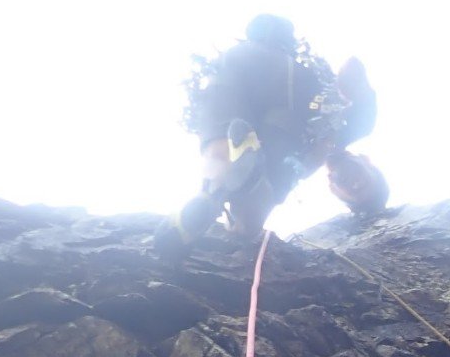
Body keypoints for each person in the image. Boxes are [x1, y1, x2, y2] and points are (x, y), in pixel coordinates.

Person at [156, 14, 388, 247]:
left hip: (234, 67)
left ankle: (209, 193)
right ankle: (249, 200)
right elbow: (353, 68)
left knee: (219, 153)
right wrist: (345, 99)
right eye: (363, 184)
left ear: (333, 189)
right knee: (254, 215)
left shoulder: (326, 151)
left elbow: (352, 68)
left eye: (352, 192)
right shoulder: (353, 129)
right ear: (368, 161)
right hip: (289, 91)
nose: (353, 185)